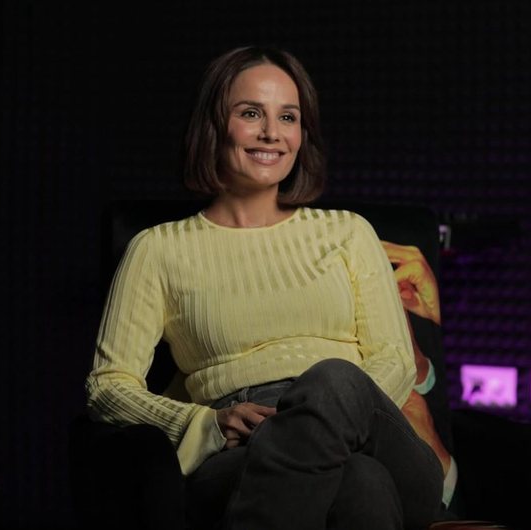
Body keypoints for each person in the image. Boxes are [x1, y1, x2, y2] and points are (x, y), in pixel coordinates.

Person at [86, 45, 454, 530]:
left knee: (335, 380)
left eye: (288, 117)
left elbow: (395, 358)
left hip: (372, 431)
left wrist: (319, 414)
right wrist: (205, 424)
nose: (271, 133)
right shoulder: (157, 249)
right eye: (250, 113)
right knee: (360, 484)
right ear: (213, 125)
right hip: (242, 446)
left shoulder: (348, 232)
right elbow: (107, 387)